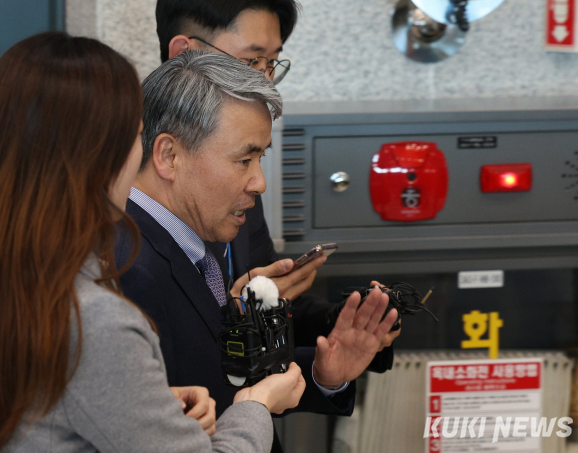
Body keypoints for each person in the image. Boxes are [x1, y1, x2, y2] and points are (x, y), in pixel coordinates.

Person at [0, 32, 306, 453]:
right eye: (135, 134)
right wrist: (254, 406)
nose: (139, 155)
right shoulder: (94, 316)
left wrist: (154, 409)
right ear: (94, 158)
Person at [115, 50, 397, 452]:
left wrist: (322, 371)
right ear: (168, 155)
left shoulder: (191, 242)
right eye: (244, 159)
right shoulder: (127, 268)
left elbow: (220, 379)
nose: (259, 182)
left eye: (260, 158)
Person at [156, 0, 400, 364]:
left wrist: (345, 323)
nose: (264, 81)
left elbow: (274, 306)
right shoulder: (126, 199)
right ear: (183, 54)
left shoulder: (244, 182)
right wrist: (236, 316)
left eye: (271, 63)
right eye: (251, 61)